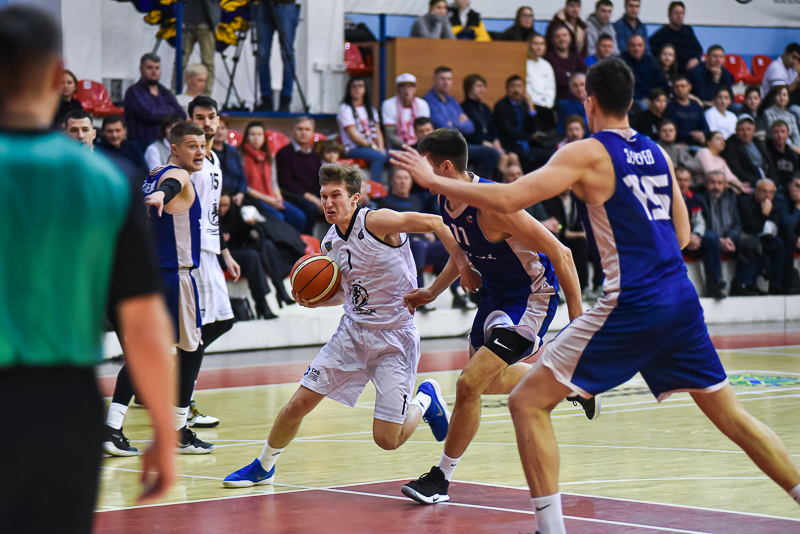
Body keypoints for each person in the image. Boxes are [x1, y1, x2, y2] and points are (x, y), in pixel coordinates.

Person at [391, 57, 800, 534]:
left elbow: (508, 198)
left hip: (633, 302)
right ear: (631, 100)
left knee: (526, 403)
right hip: (682, 301)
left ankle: (550, 527)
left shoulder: (587, 152)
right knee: (731, 415)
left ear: (589, 102)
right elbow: (684, 235)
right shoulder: (659, 153)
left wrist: (431, 179)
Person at [0, 7, 176, 531]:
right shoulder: (108, 179)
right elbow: (144, 324)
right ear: (59, 76)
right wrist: (164, 431)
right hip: (66, 408)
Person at [222, 163, 480, 488]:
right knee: (299, 402)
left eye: (336, 196)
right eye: (323, 196)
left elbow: (435, 222)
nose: (328, 203)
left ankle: (425, 399)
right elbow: (349, 291)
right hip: (352, 335)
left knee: (387, 439)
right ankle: (264, 465)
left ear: (355, 197)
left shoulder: (377, 221)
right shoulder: (329, 244)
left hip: (394, 340)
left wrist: (461, 265)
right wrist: (316, 300)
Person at [398, 128, 593, 506]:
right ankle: (567, 386)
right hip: (494, 296)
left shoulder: (494, 205)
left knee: (468, 383)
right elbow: (461, 246)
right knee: (486, 384)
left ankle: (440, 479)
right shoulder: (446, 198)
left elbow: (563, 253)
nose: (417, 173)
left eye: (423, 165)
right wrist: (435, 289)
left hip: (531, 298)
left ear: (446, 167)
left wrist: (578, 325)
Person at [102, 121, 216, 459]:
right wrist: (163, 194)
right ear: (174, 148)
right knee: (192, 350)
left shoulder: (148, 175)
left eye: (203, 145)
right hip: (174, 276)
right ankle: (176, 431)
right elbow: (173, 184)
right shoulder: (176, 175)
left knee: (150, 352)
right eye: (193, 146)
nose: (200, 151)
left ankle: (112, 426)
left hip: (152, 274)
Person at [187, 96, 243, 425]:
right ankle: (182, 399)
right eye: (200, 117)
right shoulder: (187, 161)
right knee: (198, 330)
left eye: (211, 117)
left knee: (220, 322)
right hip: (192, 254)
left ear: (219, 121)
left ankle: (175, 379)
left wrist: (225, 252)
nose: (207, 123)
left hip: (211, 251)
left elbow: (213, 213)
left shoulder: (216, 158)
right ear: (190, 121)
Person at [218, 188, 285, 320]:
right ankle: (263, 303)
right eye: (219, 205)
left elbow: (245, 237)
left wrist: (251, 227)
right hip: (218, 256)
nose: (222, 209)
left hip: (235, 252)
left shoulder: (235, 213)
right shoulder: (210, 216)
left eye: (225, 205)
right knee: (251, 256)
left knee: (264, 246)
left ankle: (278, 288)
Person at [425, 66, 500, 179]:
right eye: (442, 79)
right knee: (492, 154)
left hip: (459, 144)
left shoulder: (452, 100)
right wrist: (459, 122)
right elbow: (444, 127)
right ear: (434, 80)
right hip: (444, 146)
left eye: (449, 79)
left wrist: (453, 123)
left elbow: (470, 127)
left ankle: (474, 183)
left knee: (494, 153)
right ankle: (475, 185)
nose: (446, 82)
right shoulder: (429, 100)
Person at [241, 120, 307, 234]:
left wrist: (278, 198)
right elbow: (245, 187)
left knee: (299, 217)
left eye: (259, 135)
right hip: (253, 198)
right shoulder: (240, 156)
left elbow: (274, 182)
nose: (256, 138)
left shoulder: (269, 156)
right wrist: (267, 199)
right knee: (278, 217)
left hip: (271, 196)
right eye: (252, 134)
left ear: (264, 138)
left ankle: (294, 243)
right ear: (246, 137)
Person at [676, 167, 725, 299]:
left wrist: (696, 236)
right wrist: (686, 238)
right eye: (679, 180)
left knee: (712, 238)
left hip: (692, 242)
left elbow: (699, 221)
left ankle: (714, 284)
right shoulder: (665, 198)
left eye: (686, 180)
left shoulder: (694, 198)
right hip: (675, 242)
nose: (683, 183)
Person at [123, 53, 187, 152]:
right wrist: (171, 112)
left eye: (157, 68)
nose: (154, 71)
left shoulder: (165, 92)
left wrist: (163, 113)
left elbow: (181, 114)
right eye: (150, 68)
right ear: (141, 69)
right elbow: (149, 114)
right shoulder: (133, 92)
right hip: (141, 144)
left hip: (166, 143)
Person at [275, 117, 325, 234]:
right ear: (293, 131)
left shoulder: (315, 156)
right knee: (310, 207)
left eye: (307, 129)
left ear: (312, 133)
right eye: (300, 129)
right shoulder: (284, 153)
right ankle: (306, 240)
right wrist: (313, 199)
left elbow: (320, 180)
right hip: (292, 195)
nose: (303, 133)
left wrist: (325, 198)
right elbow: (286, 183)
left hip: (312, 194)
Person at [737, 178, 785, 294]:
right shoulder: (745, 202)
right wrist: (764, 214)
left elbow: (776, 224)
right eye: (764, 191)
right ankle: (747, 284)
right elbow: (750, 227)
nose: (768, 195)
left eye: (771, 192)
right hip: (746, 236)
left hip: (765, 237)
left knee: (779, 243)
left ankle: (775, 284)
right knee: (753, 243)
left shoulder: (775, 202)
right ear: (756, 191)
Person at [495, 75, 550, 173]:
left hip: (526, 143)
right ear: (507, 89)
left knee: (548, 154)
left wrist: (530, 106)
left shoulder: (524, 105)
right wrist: (528, 136)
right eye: (513, 86)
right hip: (510, 144)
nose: (516, 89)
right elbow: (508, 131)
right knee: (528, 159)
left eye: (519, 86)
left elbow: (533, 128)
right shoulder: (501, 106)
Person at [254, 0, 300, 112]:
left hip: (285, 5)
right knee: (262, 55)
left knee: (287, 54)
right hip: (263, 6)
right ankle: (266, 99)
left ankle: (286, 99)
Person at [338, 77, 386, 182]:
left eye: (360, 86)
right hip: (354, 148)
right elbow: (353, 135)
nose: (357, 89)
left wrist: (381, 148)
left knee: (395, 156)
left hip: (373, 147)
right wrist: (373, 147)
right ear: (349, 90)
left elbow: (378, 131)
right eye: (354, 86)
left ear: (365, 89)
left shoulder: (370, 108)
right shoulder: (345, 108)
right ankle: (376, 187)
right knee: (378, 156)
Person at [460, 74, 507, 176]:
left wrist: (496, 141)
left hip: (490, 143)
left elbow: (492, 128)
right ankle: (486, 182)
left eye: (484, 86)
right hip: (474, 143)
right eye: (479, 86)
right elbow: (465, 133)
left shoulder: (485, 108)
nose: (482, 90)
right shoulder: (463, 108)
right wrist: (482, 142)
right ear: (469, 88)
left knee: (511, 157)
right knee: (501, 157)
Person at [722, 114, 776, 188]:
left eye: (748, 129)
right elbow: (737, 171)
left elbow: (771, 165)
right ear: (736, 130)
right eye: (742, 130)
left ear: (753, 130)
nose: (746, 133)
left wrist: (773, 182)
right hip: (749, 184)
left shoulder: (758, 142)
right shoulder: (731, 145)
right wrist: (758, 183)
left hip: (767, 180)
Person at [649, 1, 703, 74]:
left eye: (681, 13)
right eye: (676, 13)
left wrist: (696, 59)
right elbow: (650, 50)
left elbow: (698, 49)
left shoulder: (688, 30)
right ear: (669, 15)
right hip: (673, 73)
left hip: (690, 71)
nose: (679, 16)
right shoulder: (662, 33)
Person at [382, 73, 431, 150]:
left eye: (410, 86)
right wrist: (407, 148)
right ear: (397, 89)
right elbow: (390, 134)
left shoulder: (422, 104)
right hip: (397, 148)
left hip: (419, 146)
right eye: (402, 86)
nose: (406, 90)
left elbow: (426, 130)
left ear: (415, 89)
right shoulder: (388, 104)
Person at [182, 0, 216, 98]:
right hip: (187, 18)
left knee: (208, 62)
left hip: (207, 20)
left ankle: (206, 98)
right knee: (181, 61)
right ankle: (175, 96)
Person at [545, 26, 588, 101]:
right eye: (558, 36)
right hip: (561, 99)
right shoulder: (549, 58)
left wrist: (569, 75)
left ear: (570, 38)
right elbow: (561, 80)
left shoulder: (576, 57)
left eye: (564, 35)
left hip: (580, 99)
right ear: (553, 40)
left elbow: (587, 75)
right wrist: (577, 77)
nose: (562, 39)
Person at [656, 119, 705, 186]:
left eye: (671, 131)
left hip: (688, 186)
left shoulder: (680, 149)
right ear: (659, 133)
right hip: (666, 184)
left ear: (675, 132)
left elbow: (698, 167)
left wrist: (683, 164)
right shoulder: (655, 150)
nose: (668, 134)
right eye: (664, 131)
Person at [620, 34, 664, 106]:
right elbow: (622, 89)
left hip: (652, 97)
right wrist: (641, 98)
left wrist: (655, 97)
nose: (637, 49)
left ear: (644, 47)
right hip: (633, 99)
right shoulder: (621, 63)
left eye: (639, 45)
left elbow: (660, 82)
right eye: (633, 45)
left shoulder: (651, 61)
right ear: (627, 47)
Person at [665, 76, 708, 145]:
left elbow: (705, 127)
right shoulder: (670, 107)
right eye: (676, 87)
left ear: (689, 87)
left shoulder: (696, 107)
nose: (679, 89)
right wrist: (691, 134)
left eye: (683, 86)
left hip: (699, 142)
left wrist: (701, 134)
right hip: (680, 143)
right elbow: (674, 129)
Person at [766, 120, 800, 192]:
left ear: (788, 134)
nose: (780, 135)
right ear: (772, 134)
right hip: (775, 188)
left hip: (792, 188)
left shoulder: (794, 155)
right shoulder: (766, 152)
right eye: (776, 132)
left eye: (782, 132)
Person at [763, 85, 800, 149]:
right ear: (774, 97)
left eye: (784, 95)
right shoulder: (768, 113)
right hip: (775, 148)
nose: (782, 97)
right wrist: (794, 148)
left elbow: (796, 136)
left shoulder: (791, 116)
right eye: (779, 95)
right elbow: (774, 135)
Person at [526, 33, 556, 111]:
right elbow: (527, 88)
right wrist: (537, 102)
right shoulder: (524, 64)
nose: (539, 47)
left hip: (547, 105)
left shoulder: (546, 65)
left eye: (542, 44)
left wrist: (547, 103)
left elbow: (551, 87)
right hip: (531, 104)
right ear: (529, 45)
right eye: (536, 44)